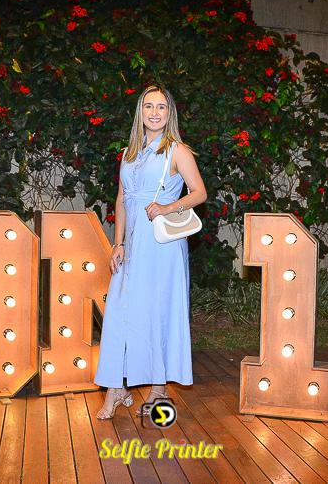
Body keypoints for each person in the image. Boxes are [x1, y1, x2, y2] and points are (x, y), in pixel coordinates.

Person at [93, 85, 207, 419]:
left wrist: (169, 206)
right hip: (132, 245)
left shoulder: (177, 150)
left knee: (158, 313)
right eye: (148, 106)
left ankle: (158, 389)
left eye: (161, 107)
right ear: (140, 112)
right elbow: (121, 199)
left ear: (169, 113)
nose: (154, 113)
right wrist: (117, 243)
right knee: (120, 312)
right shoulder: (129, 153)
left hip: (162, 246)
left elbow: (199, 193)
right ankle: (116, 387)